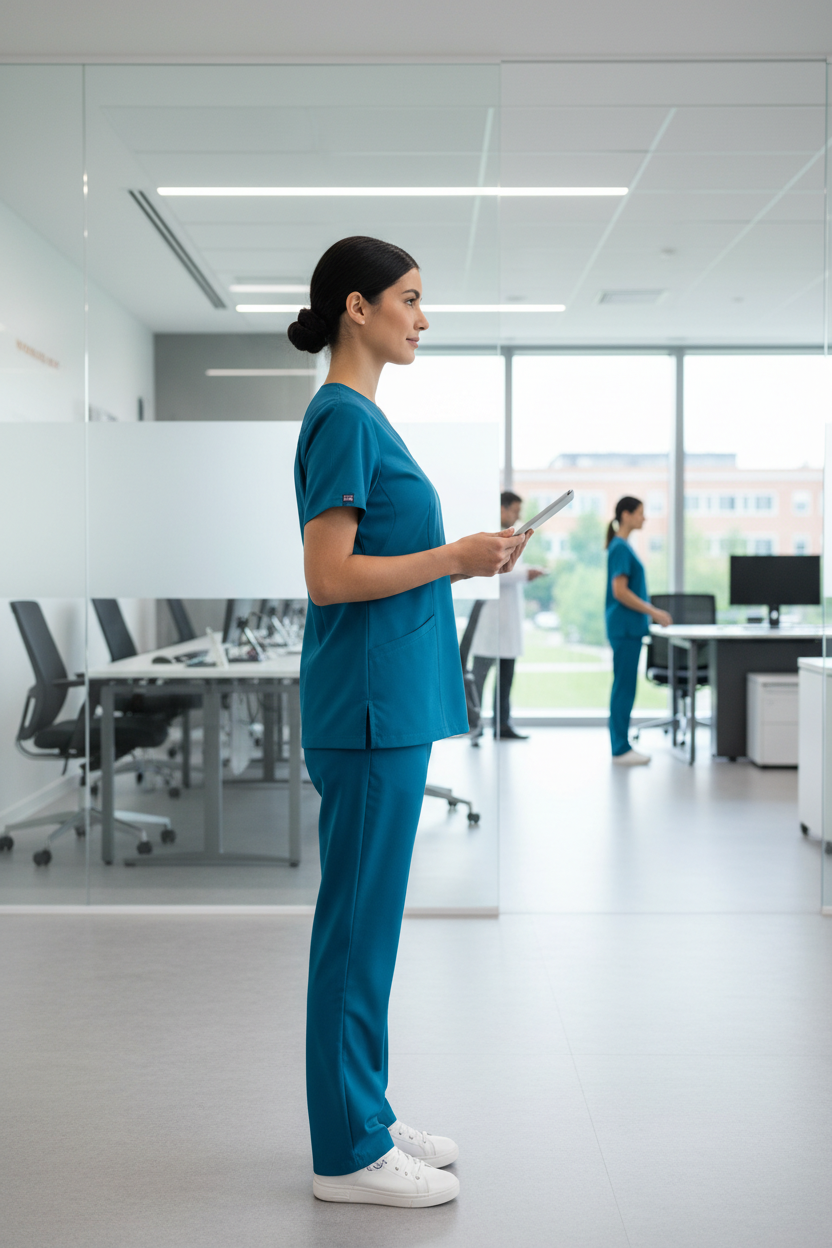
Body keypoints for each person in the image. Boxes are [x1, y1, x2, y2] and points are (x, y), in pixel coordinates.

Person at [289, 236, 530, 1208]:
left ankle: (368, 1116)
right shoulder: (342, 419)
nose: (421, 319)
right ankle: (345, 1154)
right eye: (410, 300)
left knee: (371, 932)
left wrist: (467, 555)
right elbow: (328, 576)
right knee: (353, 934)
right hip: (366, 710)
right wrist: (454, 558)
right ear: (358, 308)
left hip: (387, 706)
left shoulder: (362, 420)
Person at [471, 491, 545, 739]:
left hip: (506, 622)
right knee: (479, 679)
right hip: (490, 622)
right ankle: (474, 725)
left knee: (505, 679)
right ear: (502, 510)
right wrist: (525, 574)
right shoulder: (488, 536)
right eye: (515, 510)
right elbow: (496, 569)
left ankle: (502, 726)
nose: (518, 516)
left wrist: (525, 571)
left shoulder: (511, 538)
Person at [605, 495, 672, 766]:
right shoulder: (620, 548)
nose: (644, 518)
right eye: (641, 513)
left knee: (624, 686)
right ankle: (620, 748)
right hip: (625, 627)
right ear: (626, 514)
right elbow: (620, 592)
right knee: (624, 688)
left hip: (627, 628)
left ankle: (621, 745)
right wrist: (654, 611)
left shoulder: (621, 546)